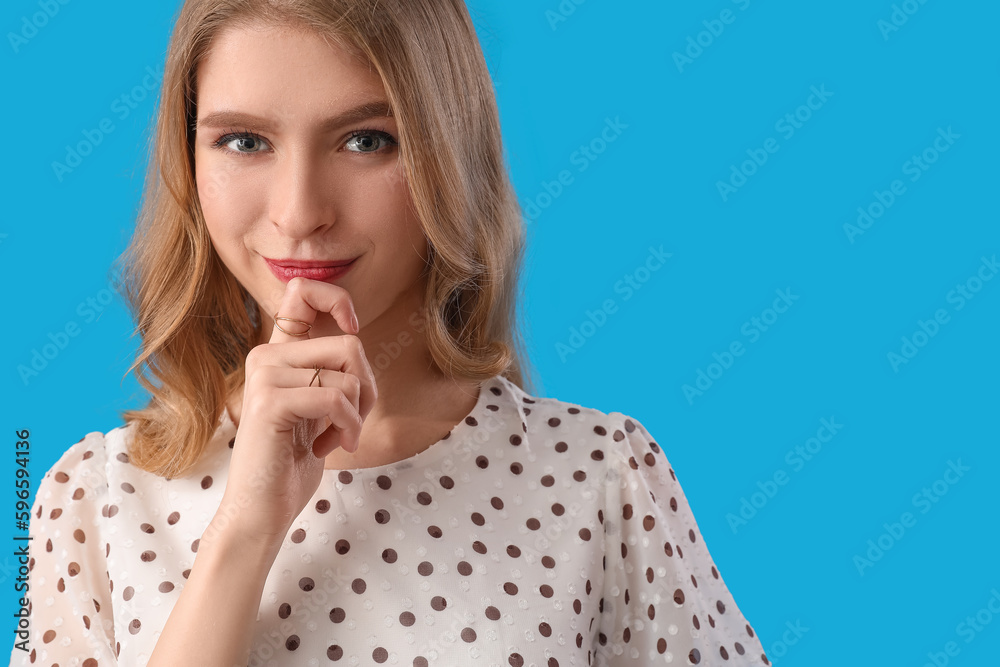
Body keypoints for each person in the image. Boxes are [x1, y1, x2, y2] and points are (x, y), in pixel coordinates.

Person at [10, 1, 771, 665]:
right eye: (244, 141)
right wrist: (246, 529)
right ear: (188, 156)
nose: (300, 210)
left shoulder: (603, 479)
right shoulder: (91, 502)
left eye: (366, 139)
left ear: (449, 152)